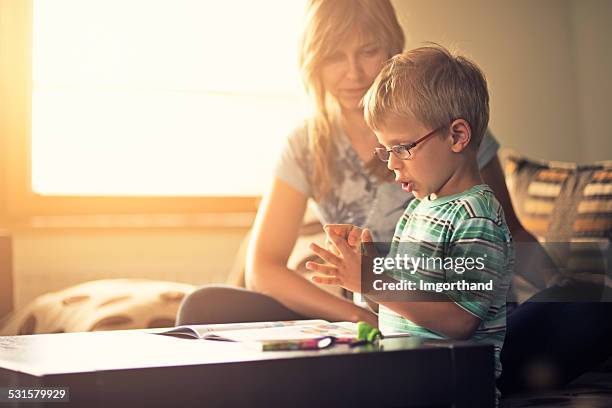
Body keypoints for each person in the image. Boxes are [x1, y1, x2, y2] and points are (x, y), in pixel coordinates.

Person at [176, 0, 611, 395]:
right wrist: (365, 311)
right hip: (370, 315)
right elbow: (264, 267)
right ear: (313, 63)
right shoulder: (306, 143)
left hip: (450, 320)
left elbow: (508, 235)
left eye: (367, 51)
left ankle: (460, 368)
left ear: (392, 49)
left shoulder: (444, 126)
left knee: (588, 306)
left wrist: (558, 288)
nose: (352, 72)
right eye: (333, 56)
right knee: (206, 307)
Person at [306, 45, 513, 403]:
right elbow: (400, 308)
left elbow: (460, 320)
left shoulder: (476, 216)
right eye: (385, 151)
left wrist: (375, 280)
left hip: (452, 391)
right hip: (409, 383)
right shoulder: (418, 210)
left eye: (402, 148)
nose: (391, 164)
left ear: (457, 136)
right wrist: (366, 272)